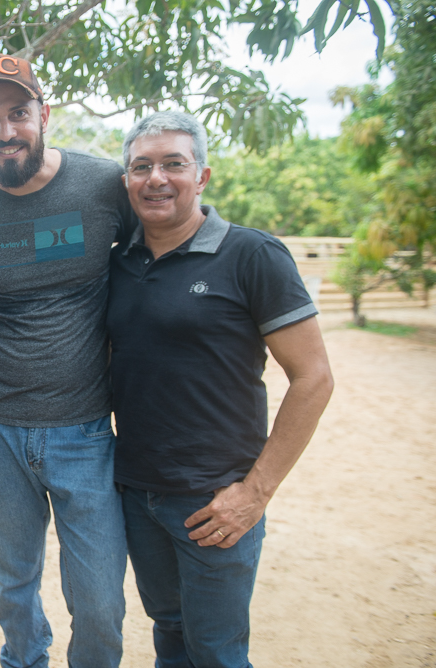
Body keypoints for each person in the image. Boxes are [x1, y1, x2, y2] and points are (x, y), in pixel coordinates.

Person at [108, 110, 334, 667]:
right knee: (169, 634)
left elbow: (314, 377)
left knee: (216, 652)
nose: (156, 178)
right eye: (142, 167)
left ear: (202, 176)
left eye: (173, 164)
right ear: (126, 182)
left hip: (215, 500)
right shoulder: (119, 263)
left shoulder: (252, 255)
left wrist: (256, 492)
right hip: (137, 493)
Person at [0, 54, 133, 668]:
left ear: (43, 114)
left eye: (18, 112)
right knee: (15, 590)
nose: (6, 130)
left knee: (99, 600)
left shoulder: (104, 186)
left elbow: (148, 260)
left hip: (86, 427)